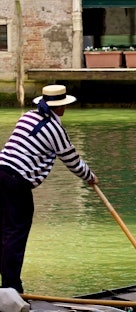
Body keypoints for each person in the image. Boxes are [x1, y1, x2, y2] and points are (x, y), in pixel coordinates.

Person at [0, 84, 98, 293]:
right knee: (15, 234)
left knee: (5, 232)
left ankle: (8, 286)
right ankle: (11, 288)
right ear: (61, 107)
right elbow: (72, 160)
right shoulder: (55, 129)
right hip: (17, 182)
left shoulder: (26, 116)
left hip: (2, 173)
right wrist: (90, 178)